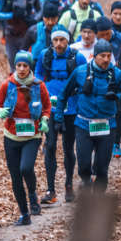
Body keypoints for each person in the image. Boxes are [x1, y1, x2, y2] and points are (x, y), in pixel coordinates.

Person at [57, 40, 121, 191]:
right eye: (103, 56)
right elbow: (63, 95)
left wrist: (118, 96)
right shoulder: (80, 72)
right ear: (94, 56)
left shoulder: (116, 74)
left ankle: (98, 200)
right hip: (84, 125)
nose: (106, 59)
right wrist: (58, 117)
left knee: (102, 169)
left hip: (107, 126)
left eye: (109, 56)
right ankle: (86, 180)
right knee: (83, 166)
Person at [0, 51, 51, 225]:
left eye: (25, 65)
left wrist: (44, 120)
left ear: (30, 67)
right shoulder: (7, 84)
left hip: (32, 135)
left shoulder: (39, 85)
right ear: (15, 66)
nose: (21, 69)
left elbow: (47, 106)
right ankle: (24, 214)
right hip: (11, 135)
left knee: (26, 168)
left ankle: (32, 195)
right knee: (15, 177)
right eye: (18, 65)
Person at [35, 26, 85, 203]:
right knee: (49, 146)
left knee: (68, 147)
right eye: (55, 40)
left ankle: (69, 185)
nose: (58, 44)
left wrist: (78, 94)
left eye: (62, 40)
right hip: (50, 107)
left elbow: (84, 77)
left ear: (67, 41)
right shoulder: (45, 55)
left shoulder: (77, 57)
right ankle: (51, 190)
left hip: (71, 107)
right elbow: (38, 74)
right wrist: (42, 90)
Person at [95, 17, 121, 159]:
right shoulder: (93, 40)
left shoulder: (120, 39)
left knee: (119, 111)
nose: (105, 37)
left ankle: (116, 143)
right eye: (102, 35)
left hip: (118, 80)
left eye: (107, 33)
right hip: (99, 80)